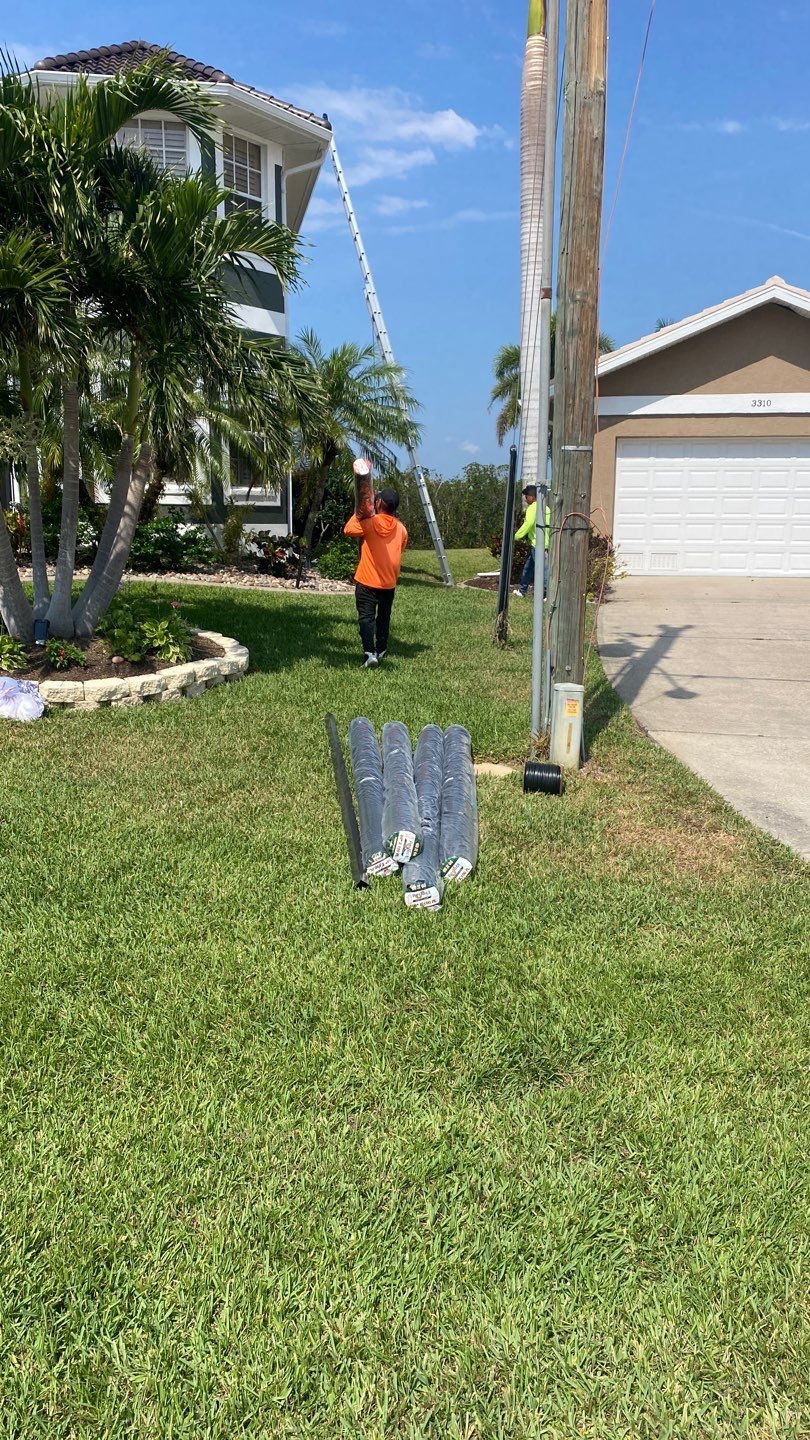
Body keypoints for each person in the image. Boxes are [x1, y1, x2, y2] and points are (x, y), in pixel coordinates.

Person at [344, 486, 408, 667]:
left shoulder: (370, 523)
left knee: (366, 618)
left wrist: (360, 511)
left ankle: (369, 654)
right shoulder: (402, 529)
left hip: (366, 581)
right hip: (388, 583)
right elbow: (399, 550)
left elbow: (348, 530)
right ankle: (381, 650)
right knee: (384, 618)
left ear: (379, 503)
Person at [513, 484, 551, 598]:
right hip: (544, 544)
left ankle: (546, 595)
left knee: (544, 570)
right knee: (528, 568)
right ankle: (522, 591)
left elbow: (528, 524)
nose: (525, 498)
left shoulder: (532, 508)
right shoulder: (546, 507)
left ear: (533, 497)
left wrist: (516, 536)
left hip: (538, 545)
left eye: (527, 495)